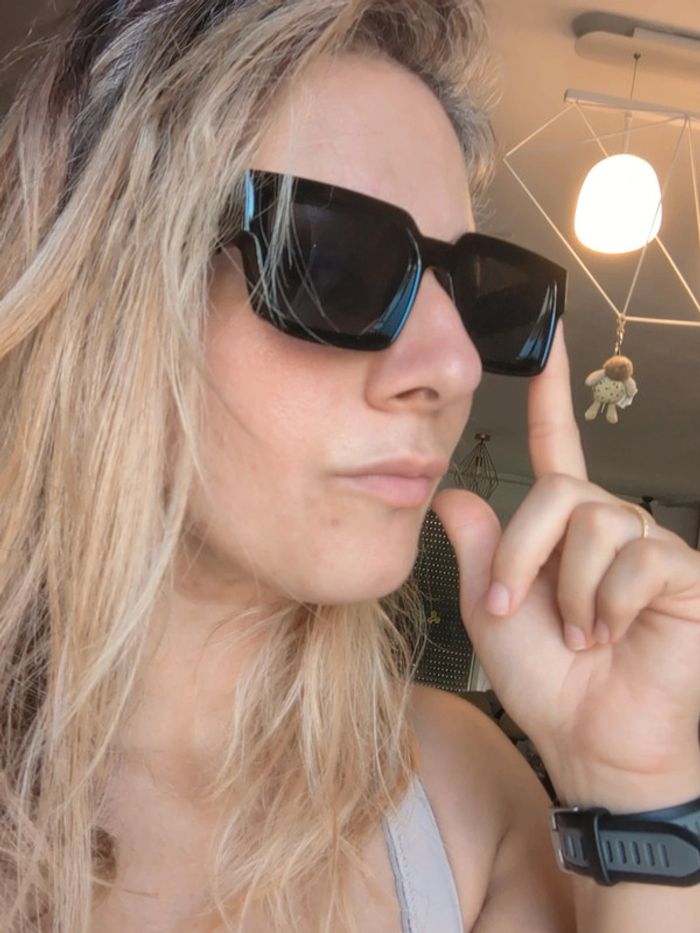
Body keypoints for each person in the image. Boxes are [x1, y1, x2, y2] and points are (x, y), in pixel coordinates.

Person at [0, 1, 699, 931]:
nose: (457, 366)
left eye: (470, 290)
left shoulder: (461, 797)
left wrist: (638, 787)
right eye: (335, 265)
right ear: (105, 295)